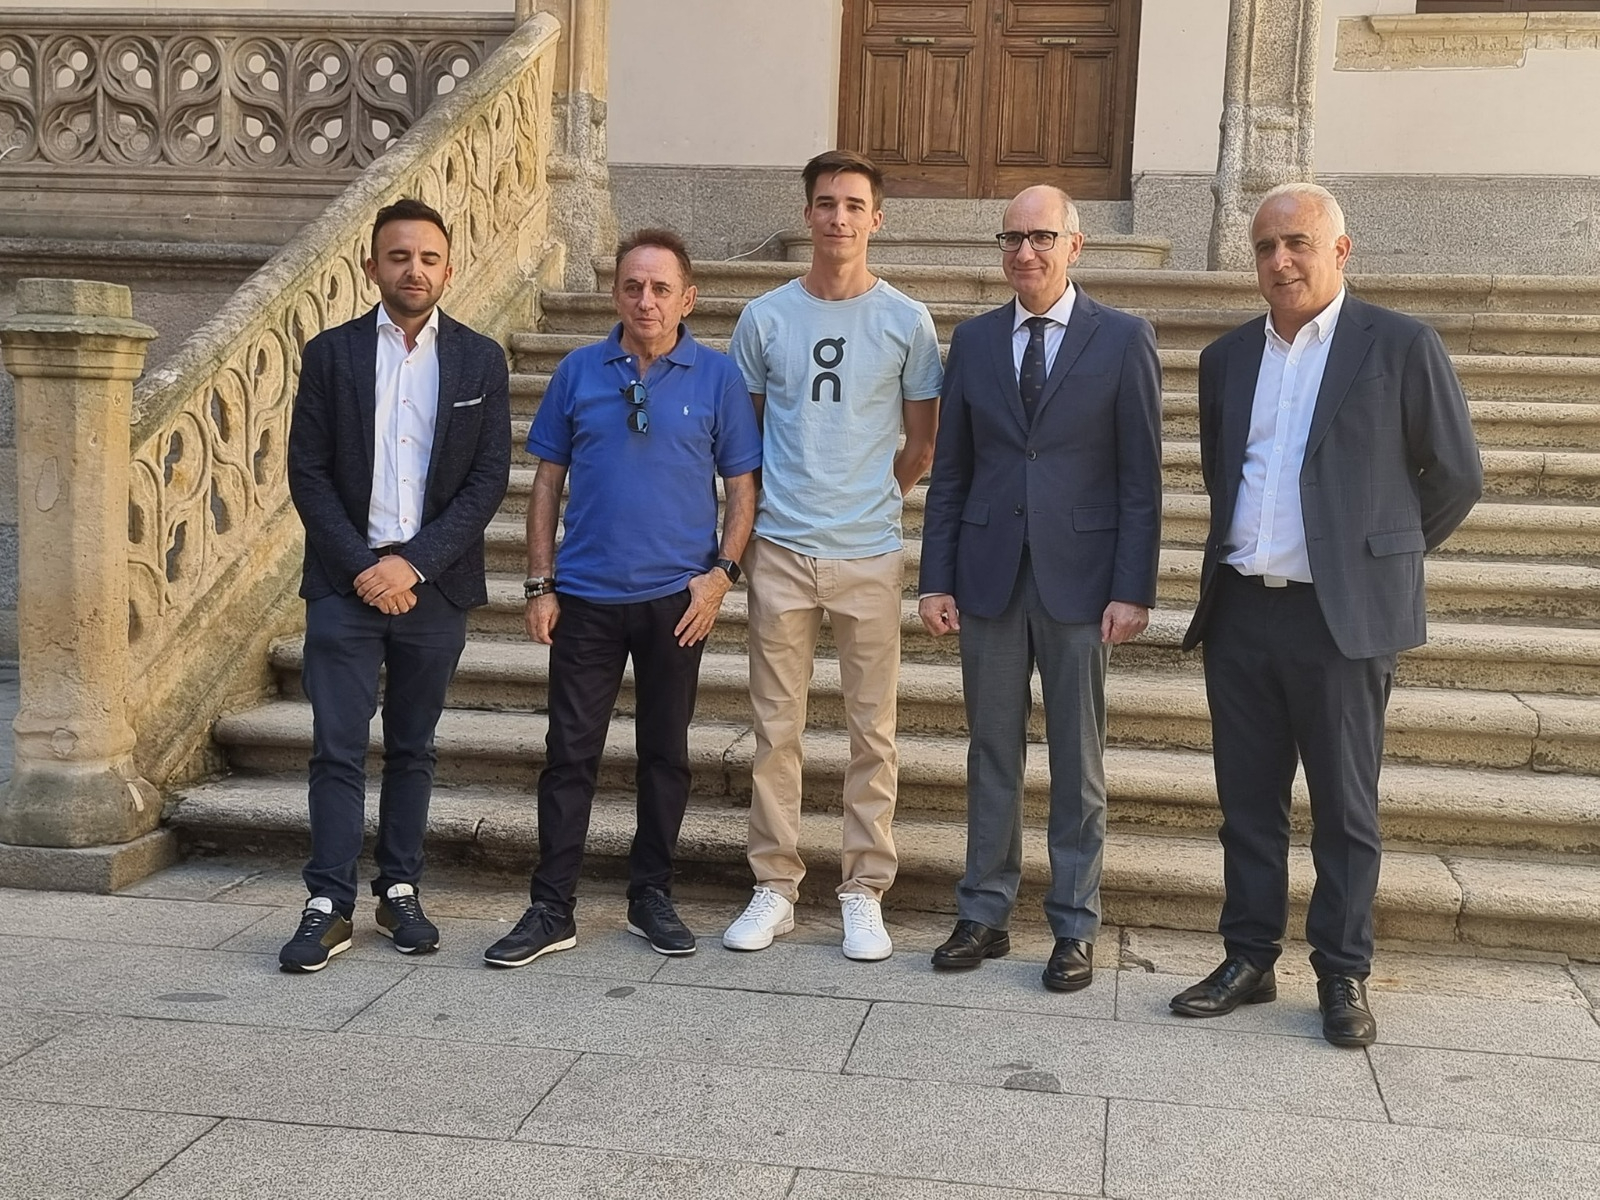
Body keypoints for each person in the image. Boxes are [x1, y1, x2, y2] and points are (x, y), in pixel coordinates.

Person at [1168, 183, 1482, 1046]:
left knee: (1345, 810)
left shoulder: (1399, 344)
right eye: (1266, 247)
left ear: (1340, 250)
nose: (1280, 261)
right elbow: (1230, 475)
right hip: (1239, 614)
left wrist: (1374, 561)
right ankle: (1248, 959)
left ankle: (1343, 974)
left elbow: (1455, 476)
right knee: (1248, 804)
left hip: (1340, 624)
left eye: (1298, 243)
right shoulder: (1227, 360)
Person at [483, 229, 761, 967]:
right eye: (634, 286)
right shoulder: (577, 372)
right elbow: (545, 481)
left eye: (661, 288)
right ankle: (552, 908)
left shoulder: (717, 378)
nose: (646, 300)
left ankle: (650, 896)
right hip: (585, 599)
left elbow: (742, 488)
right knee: (569, 755)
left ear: (688, 299)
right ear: (616, 294)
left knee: (664, 755)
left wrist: (721, 575)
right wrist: (540, 582)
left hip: (679, 600)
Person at [918, 185, 1163, 992]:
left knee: (1077, 758)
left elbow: (1141, 480)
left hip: (1083, 585)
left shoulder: (1123, 340)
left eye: (1042, 237)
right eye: (1013, 238)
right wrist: (935, 578)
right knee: (991, 751)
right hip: (988, 579)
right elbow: (950, 472)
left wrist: (1133, 587)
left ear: (1075, 246)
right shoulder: (977, 341)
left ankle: (1073, 925)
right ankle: (984, 913)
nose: (1025, 252)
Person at [721, 150, 942, 961]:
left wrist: (875, 498)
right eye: (825, 203)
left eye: (853, 204)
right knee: (776, 727)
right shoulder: (765, 318)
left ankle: (862, 889)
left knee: (869, 730)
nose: (838, 217)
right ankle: (774, 886)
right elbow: (739, 441)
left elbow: (922, 444)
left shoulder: (906, 320)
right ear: (807, 215)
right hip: (780, 547)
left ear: (875, 218)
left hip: (869, 553)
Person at [279, 197, 510, 972]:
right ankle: (328, 903)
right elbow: (307, 474)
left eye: (430, 257)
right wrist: (364, 568)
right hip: (345, 586)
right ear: (372, 265)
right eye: (400, 256)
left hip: (433, 588)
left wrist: (410, 565)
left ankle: (400, 888)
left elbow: (486, 482)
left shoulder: (480, 360)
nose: (415, 270)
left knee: (414, 748)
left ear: (448, 267)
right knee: (336, 749)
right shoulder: (332, 354)